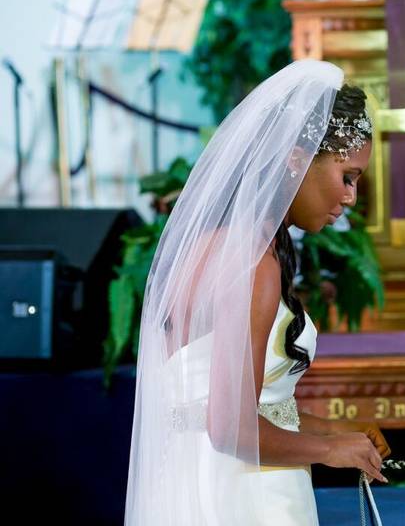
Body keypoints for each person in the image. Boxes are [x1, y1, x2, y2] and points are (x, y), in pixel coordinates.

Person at [125, 60, 390, 526]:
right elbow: (230, 427)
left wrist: (341, 434)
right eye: (346, 176)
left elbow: (237, 408)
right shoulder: (254, 265)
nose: (350, 197)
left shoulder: (220, 245)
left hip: (194, 480)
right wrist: (331, 450)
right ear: (297, 159)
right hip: (242, 495)